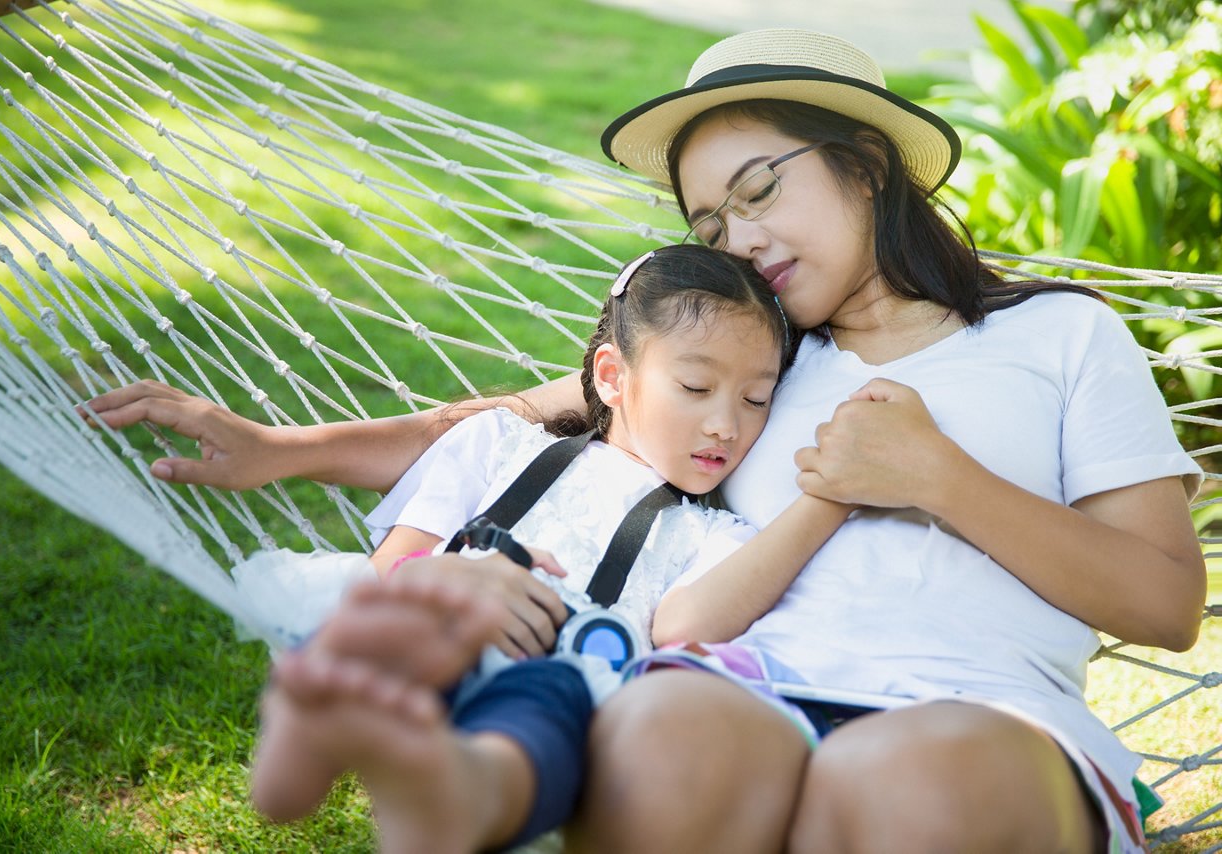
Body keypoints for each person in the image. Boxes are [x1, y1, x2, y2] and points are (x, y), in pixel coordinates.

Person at [82, 28, 1206, 854]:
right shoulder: (743, 359)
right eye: (710, 223)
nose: (742, 238)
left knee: (907, 777)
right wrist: (280, 448)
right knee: (657, 725)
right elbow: (504, 425)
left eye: (760, 188)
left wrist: (938, 478)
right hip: (743, 676)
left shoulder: (1060, 335)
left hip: (982, 708)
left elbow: (1163, 603)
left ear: (865, 165)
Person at [242, 244, 849, 854]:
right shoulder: (499, 445)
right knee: (379, 617)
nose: (726, 423)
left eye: (755, 399)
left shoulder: (711, 535)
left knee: (556, 699)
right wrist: (448, 583)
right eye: (696, 386)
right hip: (433, 627)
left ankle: (457, 790)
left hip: (544, 678)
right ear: (613, 377)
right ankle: (318, 728)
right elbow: (391, 566)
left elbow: (686, 623)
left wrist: (832, 498)